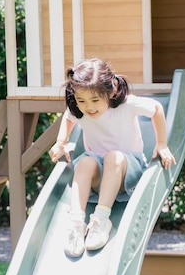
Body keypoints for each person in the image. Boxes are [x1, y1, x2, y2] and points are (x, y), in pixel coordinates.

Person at [49, 58, 176, 257]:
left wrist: (161, 144)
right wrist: (61, 142)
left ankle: (100, 220)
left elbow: (157, 109)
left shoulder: (126, 105)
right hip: (100, 176)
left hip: (127, 171)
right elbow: (68, 117)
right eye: (81, 101)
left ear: (110, 91)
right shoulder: (80, 109)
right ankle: (76, 224)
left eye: (95, 101)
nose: (88, 107)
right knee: (84, 162)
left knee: (113, 157)